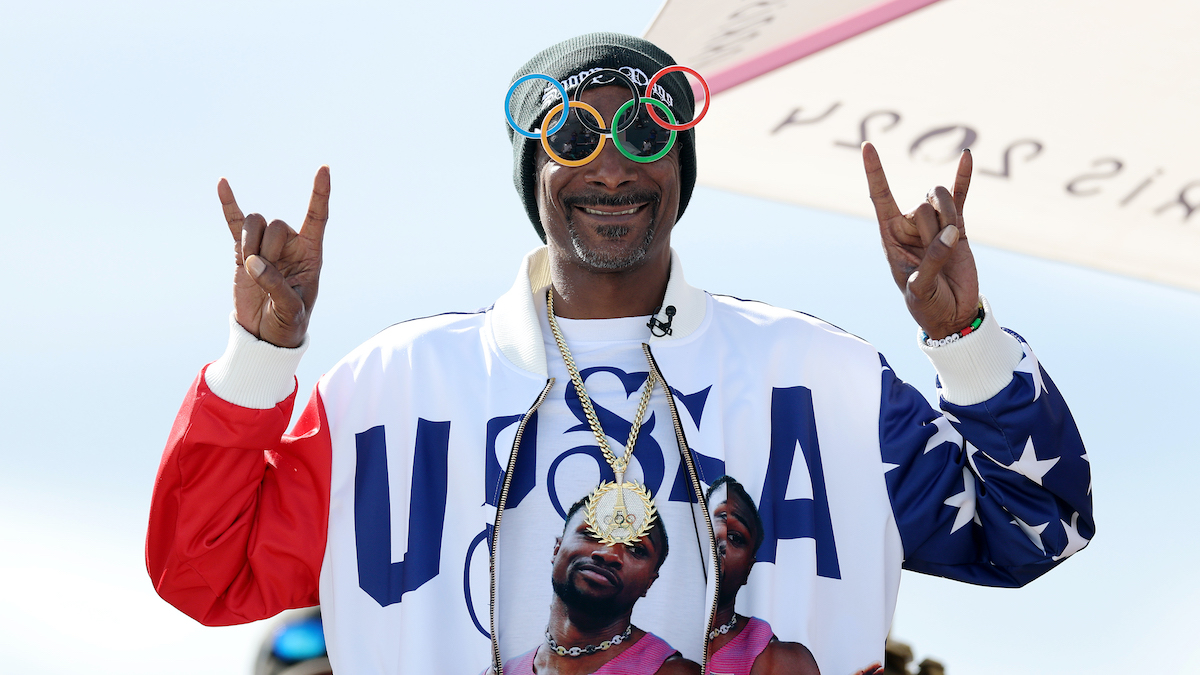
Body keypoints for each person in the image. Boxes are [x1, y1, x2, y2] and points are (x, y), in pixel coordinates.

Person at [145, 32, 1092, 675]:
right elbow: (205, 571)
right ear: (534, 172)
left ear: (679, 168)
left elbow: (1036, 525)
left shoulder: (823, 378)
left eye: (645, 134)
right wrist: (259, 361)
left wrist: (965, 339)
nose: (610, 164)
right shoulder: (392, 388)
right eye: (572, 135)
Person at [498, 497, 698, 674]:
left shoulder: (673, 671)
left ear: (650, 582)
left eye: (635, 548)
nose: (609, 553)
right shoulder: (501, 671)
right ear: (557, 549)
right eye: (593, 532)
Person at [704, 476, 819, 675]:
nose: (720, 540)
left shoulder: (784, 660)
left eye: (735, 537)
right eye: (709, 526)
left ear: (748, 569)